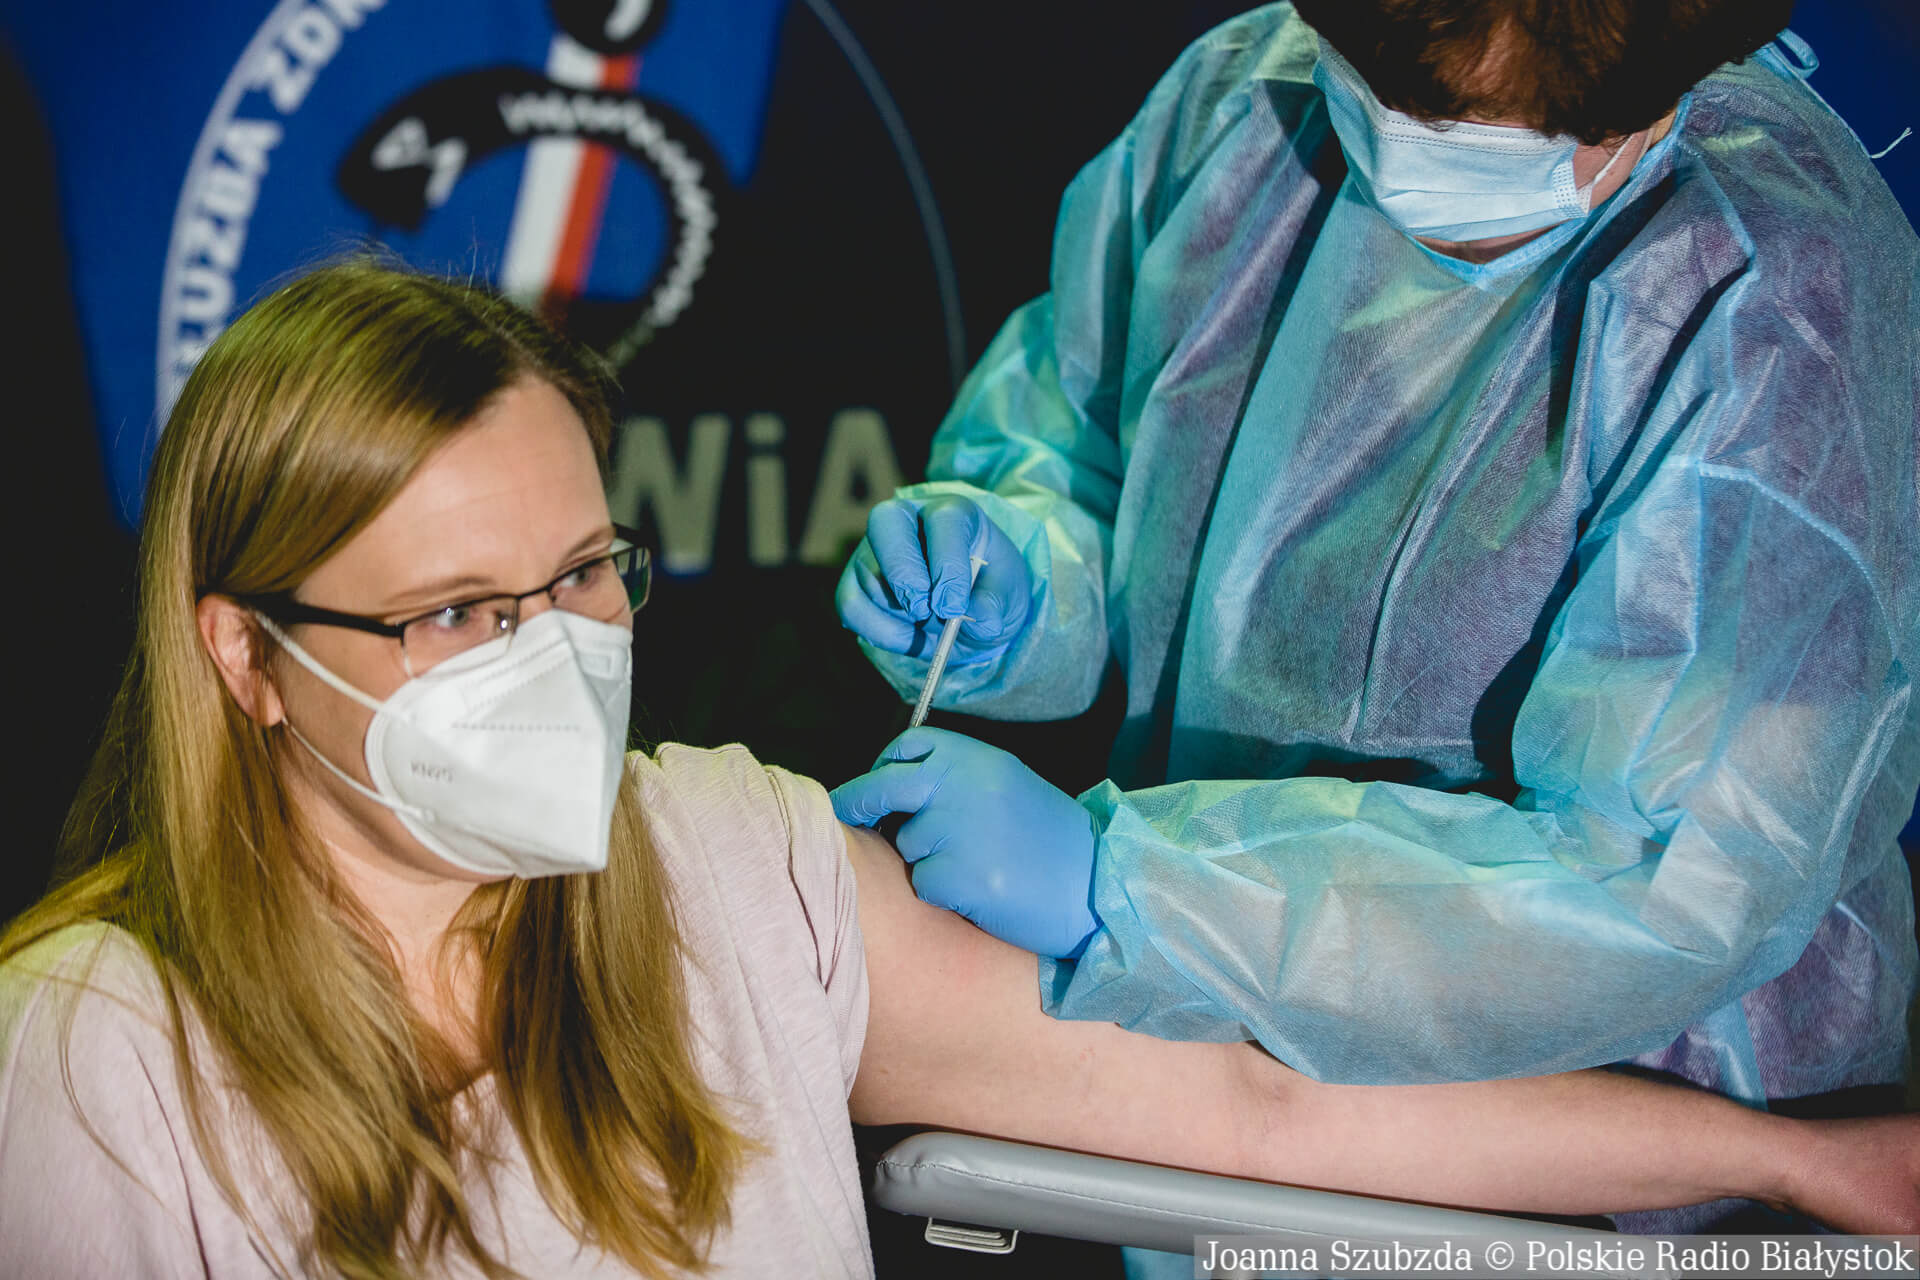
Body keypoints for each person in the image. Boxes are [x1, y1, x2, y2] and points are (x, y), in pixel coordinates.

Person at [5, 262, 1918, 1279]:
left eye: (585, 575)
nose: (555, 658)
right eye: (456, 614)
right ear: (244, 656)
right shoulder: (88, 1067)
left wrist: (1787, 1160)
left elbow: (1262, 1106)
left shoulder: (724, 873)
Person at [830, 0, 1920, 1249]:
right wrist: (1018, 577)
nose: (1421, 156)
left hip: (1611, 1147)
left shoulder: (1772, 295)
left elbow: (1660, 880)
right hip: (1207, 1071)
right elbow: (1084, 446)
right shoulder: (1248, 101)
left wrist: (1136, 887)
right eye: (1401, 101)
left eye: (1506, 132)